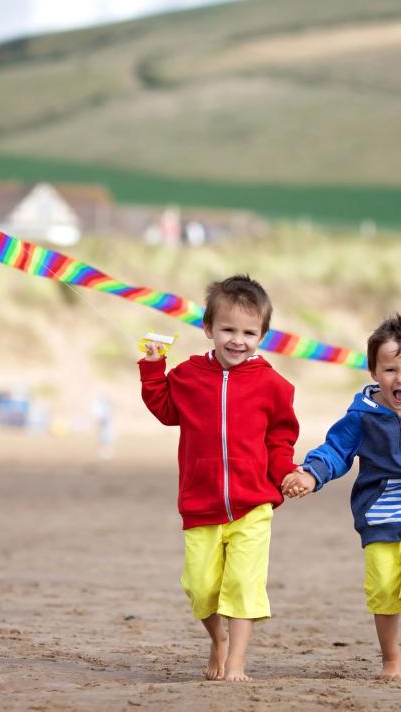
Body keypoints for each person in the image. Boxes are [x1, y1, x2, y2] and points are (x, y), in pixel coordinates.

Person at [281, 314, 401, 683]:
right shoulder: (362, 415)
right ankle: (391, 659)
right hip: (380, 515)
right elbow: (336, 450)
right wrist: (311, 473)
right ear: (373, 372)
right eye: (390, 369)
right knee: (384, 588)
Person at [138, 274, 299, 682]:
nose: (237, 340)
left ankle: (236, 664)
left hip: (252, 505)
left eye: (249, 332)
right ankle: (218, 639)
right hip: (201, 504)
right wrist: (153, 367)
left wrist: (284, 474)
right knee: (201, 587)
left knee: (244, 584)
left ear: (262, 334)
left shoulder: (273, 385)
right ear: (208, 328)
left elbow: (281, 438)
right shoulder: (190, 376)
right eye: (228, 329)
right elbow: (164, 408)